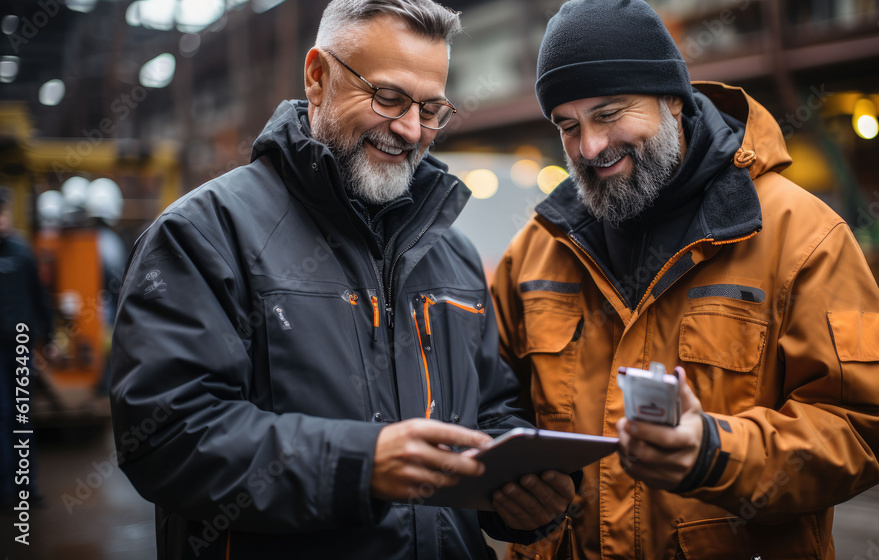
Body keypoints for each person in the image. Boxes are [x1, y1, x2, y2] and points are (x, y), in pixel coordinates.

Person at [109, 1, 573, 558]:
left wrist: (515, 490)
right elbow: (166, 437)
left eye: (431, 109)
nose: (408, 129)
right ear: (317, 77)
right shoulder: (203, 236)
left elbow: (492, 409)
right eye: (388, 98)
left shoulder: (452, 253)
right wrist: (361, 464)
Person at [490, 0, 879, 558]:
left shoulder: (803, 238)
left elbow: (858, 432)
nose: (589, 147)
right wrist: (511, 491)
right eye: (568, 126)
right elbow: (489, 398)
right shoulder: (536, 250)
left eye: (609, 113)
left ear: (672, 101)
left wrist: (715, 451)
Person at [0, 187, 51, 507]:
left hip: (19, 346)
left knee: (20, 417)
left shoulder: (22, 251)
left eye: (3, 212)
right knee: (2, 415)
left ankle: (25, 490)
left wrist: (48, 337)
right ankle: (5, 491)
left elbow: (39, 297)